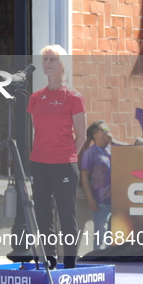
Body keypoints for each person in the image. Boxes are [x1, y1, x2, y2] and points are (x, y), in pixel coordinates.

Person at [27, 45, 86, 269]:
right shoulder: (35, 97)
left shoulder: (74, 97)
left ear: (63, 65)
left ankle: (70, 263)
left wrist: (67, 156)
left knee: (66, 215)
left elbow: (80, 136)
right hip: (39, 164)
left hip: (64, 164)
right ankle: (49, 261)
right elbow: (38, 132)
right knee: (43, 215)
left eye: (53, 59)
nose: (48, 63)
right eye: (45, 59)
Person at [80, 121, 129, 251]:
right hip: (100, 200)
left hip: (116, 200)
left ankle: (110, 257)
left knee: (112, 233)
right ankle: (99, 258)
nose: (108, 132)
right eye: (104, 130)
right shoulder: (90, 153)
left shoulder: (111, 149)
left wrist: (114, 141)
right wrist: (90, 199)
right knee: (100, 231)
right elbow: (84, 175)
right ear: (96, 134)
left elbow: (131, 149)